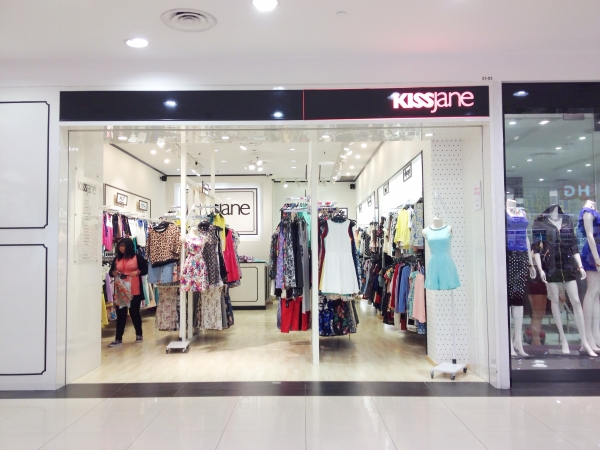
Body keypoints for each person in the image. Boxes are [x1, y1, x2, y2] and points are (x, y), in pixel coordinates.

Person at [108, 237, 148, 347]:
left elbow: (146, 269)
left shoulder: (137, 257)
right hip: (121, 290)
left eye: (123, 246)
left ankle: (139, 334)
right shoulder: (117, 259)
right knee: (121, 315)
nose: (121, 248)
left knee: (134, 313)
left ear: (128, 246)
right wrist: (114, 272)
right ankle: (118, 338)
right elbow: (110, 272)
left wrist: (138, 272)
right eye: (120, 246)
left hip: (134, 290)